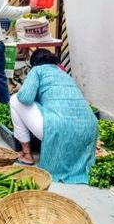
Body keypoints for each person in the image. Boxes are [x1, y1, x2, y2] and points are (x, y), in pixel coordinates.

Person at [10, 48, 97, 183]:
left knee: (15, 99)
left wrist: (22, 88)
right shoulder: (63, 73)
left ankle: (27, 155)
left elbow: (25, 98)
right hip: (89, 129)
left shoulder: (37, 70)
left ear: (34, 63)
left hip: (59, 127)